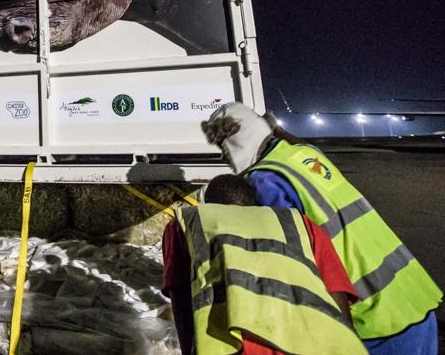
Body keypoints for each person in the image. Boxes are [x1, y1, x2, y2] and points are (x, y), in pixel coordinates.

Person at [201, 102, 442, 354]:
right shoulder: (304, 155)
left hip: (374, 319)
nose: (222, 156)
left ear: (237, 141)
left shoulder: (265, 181)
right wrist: (272, 127)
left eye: (222, 146)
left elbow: (290, 268)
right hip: (412, 294)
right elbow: (295, 141)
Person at [162, 173, 365, 355]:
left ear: (209, 203)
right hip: (318, 341)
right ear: (254, 203)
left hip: (237, 343)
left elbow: (180, 295)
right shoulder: (299, 222)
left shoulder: (189, 221)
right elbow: (336, 292)